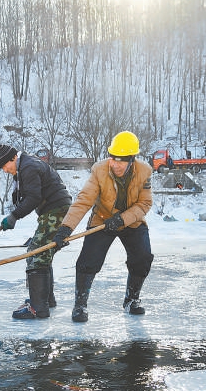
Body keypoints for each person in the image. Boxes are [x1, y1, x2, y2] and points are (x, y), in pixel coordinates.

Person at [51, 131, 153, 323]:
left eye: (121, 160)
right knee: (88, 261)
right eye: (113, 158)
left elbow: (144, 204)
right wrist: (65, 229)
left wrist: (122, 220)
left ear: (132, 159)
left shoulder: (144, 172)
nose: (115, 164)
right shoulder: (99, 170)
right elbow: (83, 201)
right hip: (102, 219)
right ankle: (80, 305)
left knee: (142, 258)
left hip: (132, 221)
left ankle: (132, 300)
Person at [0, 144, 72, 319]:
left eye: (6, 165)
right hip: (54, 209)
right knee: (42, 251)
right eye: (2, 168)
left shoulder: (28, 167)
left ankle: (38, 307)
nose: (5, 170)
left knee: (36, 253)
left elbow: (33, 197)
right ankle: (46, 300)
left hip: (56, 209)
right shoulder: (25, 165)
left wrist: (14, 216)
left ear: (13, 158)